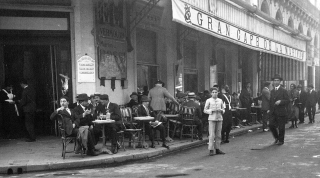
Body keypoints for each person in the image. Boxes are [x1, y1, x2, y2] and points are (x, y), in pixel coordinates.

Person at [268, 74, 289, 145]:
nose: (276, 82)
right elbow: (271, 102)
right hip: (273, 112)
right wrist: (269, 109)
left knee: (281, 127)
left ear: (280, 82)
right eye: (274, 80)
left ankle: (281, 140)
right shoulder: (272, 91)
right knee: (271, 125)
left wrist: (281, 102)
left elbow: (288, 100)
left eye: (277, 80)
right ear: (273, 82)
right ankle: (276, 137)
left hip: (281, 111)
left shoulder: (283, 90)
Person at [204, 87, 225, 156]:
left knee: (218, 134)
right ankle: (211, 149)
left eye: (216, 92)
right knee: (212, 135)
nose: (214, 93)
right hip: (212, 118)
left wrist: (221, 110)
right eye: (213, 92)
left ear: (218, 93)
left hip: (219, 118)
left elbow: (223, 109)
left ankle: (217, 148)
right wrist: (211, 111)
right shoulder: (208, 100)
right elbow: (205, 110)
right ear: (211, 93)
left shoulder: (220, 100)